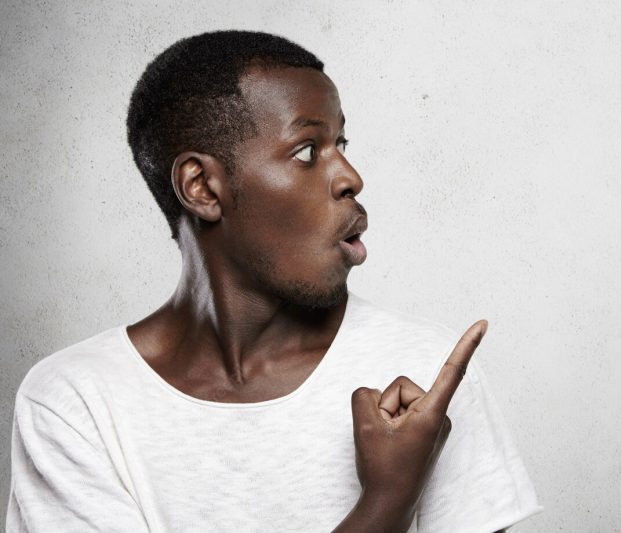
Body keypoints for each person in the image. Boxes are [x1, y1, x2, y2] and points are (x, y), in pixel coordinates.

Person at [5, 31, 541, 532]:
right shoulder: (76, 404)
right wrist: (385, 505)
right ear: (203, 188)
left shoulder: (427, 374)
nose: (350, 177)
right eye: (308, 151)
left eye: (342, 144)